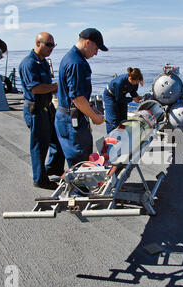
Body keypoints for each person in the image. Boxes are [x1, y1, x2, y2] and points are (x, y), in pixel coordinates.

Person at [19, 32, 65, 190]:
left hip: (47, 107)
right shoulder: (29, 63)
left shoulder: (43, 62)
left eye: (53, 45)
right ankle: (40, 179)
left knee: (58, 140)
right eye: (48, 45)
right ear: (38, 43)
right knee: (39, 146)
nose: (52, 48)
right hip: (36, 109)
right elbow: (36, 88)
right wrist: (56, 87)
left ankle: (53, 169)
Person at [55, 28, 106, 168]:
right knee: (81, 163)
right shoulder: (77, 63)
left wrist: (91, 109)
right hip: (72, 121)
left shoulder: (70, 58)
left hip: (68, 116)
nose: (96, 53)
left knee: (78, 161)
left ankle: (79, 188)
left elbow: (77, 95)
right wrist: (94, 117)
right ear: (88, 42)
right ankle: (79, 190)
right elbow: (77, 98)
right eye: (96, 48)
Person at [103, 67, 143, 133]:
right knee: (113, 118)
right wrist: (132, 99)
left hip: (121, 96)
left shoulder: (135, 82)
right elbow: (118, 99)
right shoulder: (119, 82)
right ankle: (111, 136)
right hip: (110, 96)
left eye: (138, 82)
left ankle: (122, 134)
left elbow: (133, 91)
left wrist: (137, 97)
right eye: (136, 82)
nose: (137, 84)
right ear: (130, 79)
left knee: (123, 117)